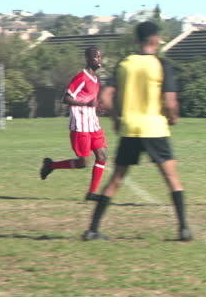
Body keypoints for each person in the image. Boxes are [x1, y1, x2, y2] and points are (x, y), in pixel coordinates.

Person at [82, 21, 191, 241]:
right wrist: (173, 118)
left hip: (130, 129)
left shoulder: (125, 64)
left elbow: (105, 97)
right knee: (172, 178)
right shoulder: (161, 65)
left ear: (138, 39)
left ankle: (92, 230)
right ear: (155, 39)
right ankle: (184, 229)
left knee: (116, 179)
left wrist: (116, 119)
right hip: (155, 128)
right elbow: (170, 101)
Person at [40, 46, 109, 201]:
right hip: (80, 125)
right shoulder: (81, 78)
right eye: (96, 57)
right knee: (83, 163)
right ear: (88, 59)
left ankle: (91, 193)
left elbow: (90, 100)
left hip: (93, 123)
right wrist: (85, 104)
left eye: (100, 56)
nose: (100, 60)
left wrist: (98, 107)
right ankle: (51, 165)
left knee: (102, 155)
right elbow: (66, 98)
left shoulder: (96, 80)